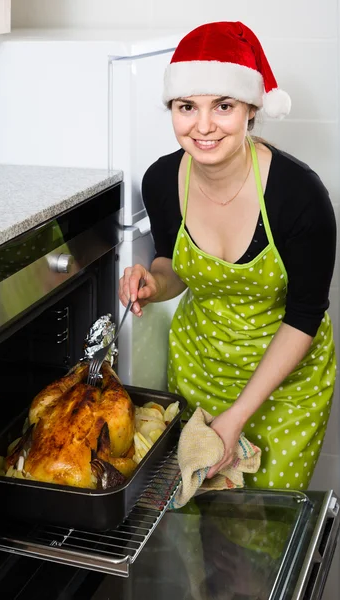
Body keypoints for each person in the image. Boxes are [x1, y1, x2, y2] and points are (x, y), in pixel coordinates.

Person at [119, 21, 337, 490]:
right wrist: (154, 283)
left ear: (251, 107)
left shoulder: (299, 195)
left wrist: (236, 416)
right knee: (199, 530)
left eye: (223, 106)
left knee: (260, 537)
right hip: (199, 369)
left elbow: (305, 315)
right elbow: (172, 264)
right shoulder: (161, 182)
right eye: (186, 107)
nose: (203, 126)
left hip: (284, 390)